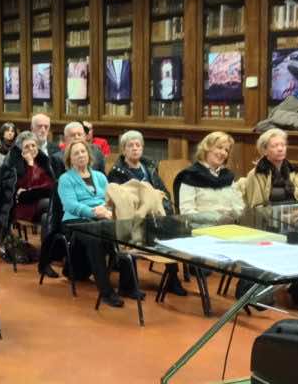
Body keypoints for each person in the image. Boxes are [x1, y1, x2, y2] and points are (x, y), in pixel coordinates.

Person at [59, 140, 140, 307]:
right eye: (76, 153)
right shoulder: (65, 179)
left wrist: (108, 210)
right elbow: (70, 205)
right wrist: (94, 211)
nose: (81, 155)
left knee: (126, 233)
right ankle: (106, 292)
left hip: (103, 217)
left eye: (83, 152)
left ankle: (128, 286)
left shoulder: (100, 176)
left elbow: (109, 199)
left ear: (89, 155)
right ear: (70, 159)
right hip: (76, 220)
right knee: (95, 239)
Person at [107, 130, 186, 296]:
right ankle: (128, 285)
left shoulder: (149, 168)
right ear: (123, 150)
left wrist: (161, 208)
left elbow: (164, 193)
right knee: (129, 237)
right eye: (130, 145)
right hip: (133, 219)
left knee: (171, 232)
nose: (135, 148)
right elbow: (121, 201)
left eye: (138, 145)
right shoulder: (116, 172)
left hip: (154, 216)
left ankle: (172, 279)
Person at [0, 131, 56, 277]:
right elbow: (20, 189)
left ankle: (46, 260)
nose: (31, 149)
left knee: (47, 216)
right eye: (27, 146)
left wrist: (32, 190)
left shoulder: (43, 160)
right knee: (50, 205)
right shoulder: (12, 164)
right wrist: (31, 166)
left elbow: (50, 185)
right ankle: (50, 258)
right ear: (20, 149)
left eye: (33, 145)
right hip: (17, 208)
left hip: (37, 204)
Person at [173, 131, 245, 223]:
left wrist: (235, 217)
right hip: (201, 229)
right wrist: (216, 218)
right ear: (206, 148)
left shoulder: (227, 177)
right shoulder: (190, 175)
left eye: (226, 150)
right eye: (219, 147)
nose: (223, 153)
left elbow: (239, 207)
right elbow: (187, 212)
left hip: (229, 227)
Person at [241, 128, 298, 208]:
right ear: (265, 150)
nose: (280, 149)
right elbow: (256, 208)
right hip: (271, 218)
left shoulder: (296, 170)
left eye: (283, 145)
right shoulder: (256, 174)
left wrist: (293, 190)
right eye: (275, 146)